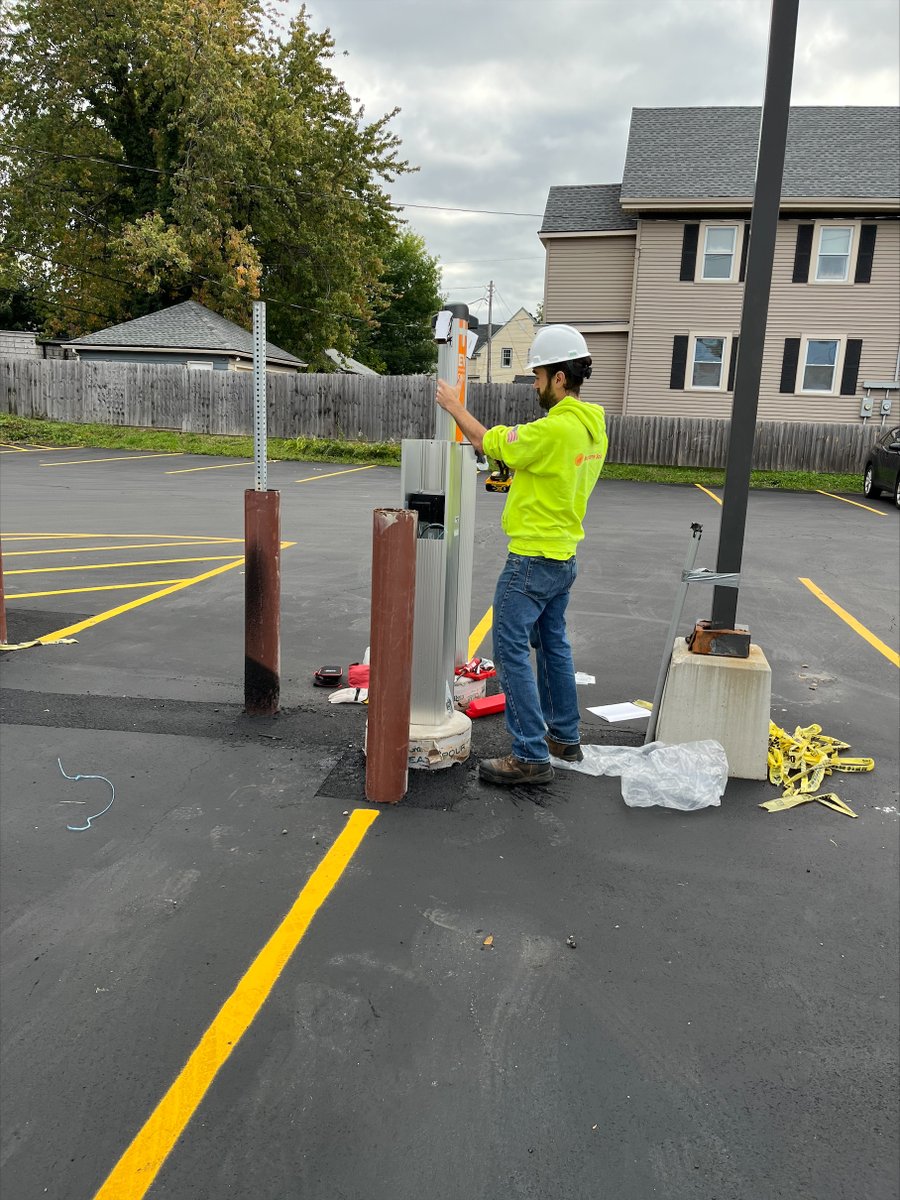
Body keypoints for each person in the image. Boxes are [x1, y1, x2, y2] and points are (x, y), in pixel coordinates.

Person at [436, 324, 608, 786]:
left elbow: (489, 442)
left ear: (559, 377)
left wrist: (454, 405)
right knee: (553, 645)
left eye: (537, 375)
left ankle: (530, 754)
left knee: (510, 649)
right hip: (563, 557)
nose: (533, 384)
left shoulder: (552, 431)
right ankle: (563, 737)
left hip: (530, 559)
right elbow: (545, 472)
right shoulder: (594, 428)